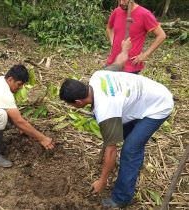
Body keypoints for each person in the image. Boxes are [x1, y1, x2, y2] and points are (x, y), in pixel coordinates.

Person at [59, 38, 173, 207]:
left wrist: (102, 180)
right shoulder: (97, 77)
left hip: (158, 106)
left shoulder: (106, 110)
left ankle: (121, 198)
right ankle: (131, 166)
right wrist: (125, 49)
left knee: (130, 150)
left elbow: (112, 149)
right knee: (128, 139)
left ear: (77, 102)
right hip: (144, 96)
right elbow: (119, 62)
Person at [106, 0, 166, 73]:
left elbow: (161, 35)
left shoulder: (144, 14)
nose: (121, 2)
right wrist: (113, 42)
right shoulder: (117, 11)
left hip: (130, 67)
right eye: (120, 0)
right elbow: (109, 28)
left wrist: (145, 55)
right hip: (113, 62)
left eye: (124, 0)